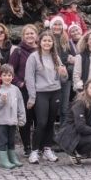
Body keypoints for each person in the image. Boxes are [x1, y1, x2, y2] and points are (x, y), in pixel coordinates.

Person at [25, 32, 68, 164]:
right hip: (41, 93)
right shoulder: (34, 57)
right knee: (41, 122)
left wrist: (64, 74)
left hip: (55, 92)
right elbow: (29, 78)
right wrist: (32, 97)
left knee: (50, 123)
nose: (47, 43)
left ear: (53, 43)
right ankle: (34, 150)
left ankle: (47, 149)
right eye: (45, 40)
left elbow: (63, 78)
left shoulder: (56, 57)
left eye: (50, 41)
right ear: (40, 42)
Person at [9, 24, 38, 155]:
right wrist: (19, 83)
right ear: (23, 36)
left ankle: (39, 145)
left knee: (40, 119)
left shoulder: (41, 50)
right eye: (27, 34)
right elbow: (10, 71)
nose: (30, 36)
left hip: (40, 89)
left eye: (32, 33)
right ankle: (27, 146)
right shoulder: (18, 51)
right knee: (26, 119)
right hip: (24, 90)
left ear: (36, 35)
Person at [0, 64, 26, 169]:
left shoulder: (16, 90)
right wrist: (2, 100)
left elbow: (20, 105)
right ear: (0, 76)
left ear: (13, 76)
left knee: (11, 140)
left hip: (13, 120)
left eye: (9, 75)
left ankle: (12, 157)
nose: (7, 77)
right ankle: (3, 160)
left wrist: (22, 118)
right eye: (5, 75)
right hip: (1, 121)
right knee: (3, 140)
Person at [51, 16, 77, 125]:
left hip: (65, 76)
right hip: (51, 76)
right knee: (52, 105)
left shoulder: (67, 40)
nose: (57, 27)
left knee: (64, 106)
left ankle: (63, 132)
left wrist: (71, 59)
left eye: (59, 24)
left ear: (63, 26)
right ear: (51, 26)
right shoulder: (47, 38)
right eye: (55, 24)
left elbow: (75, 56)